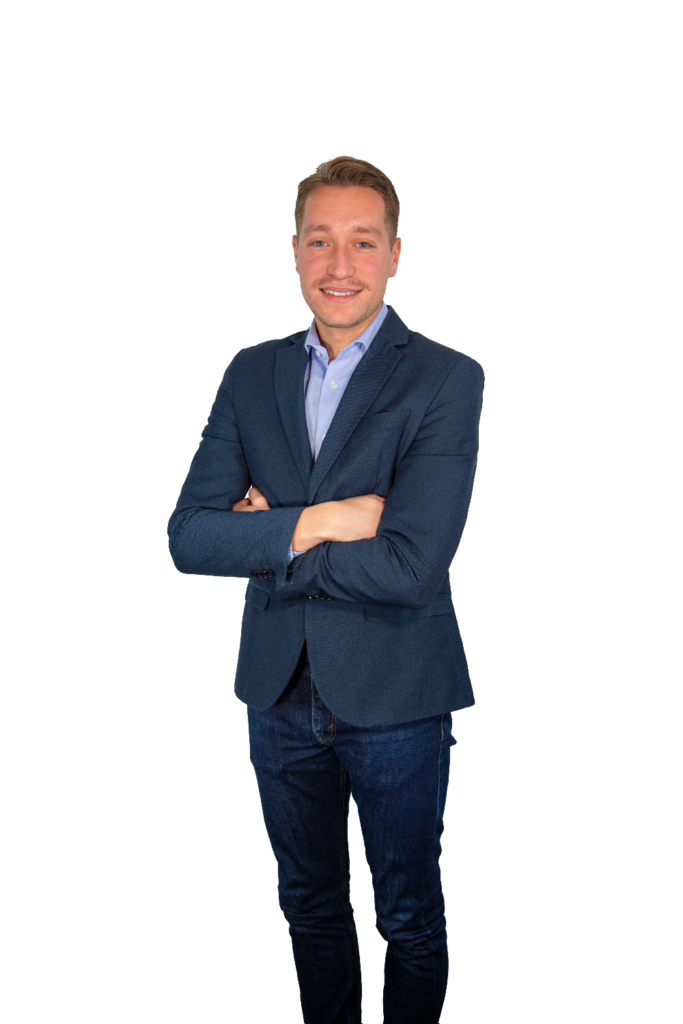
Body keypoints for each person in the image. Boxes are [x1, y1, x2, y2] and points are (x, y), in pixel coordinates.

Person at [167, 156, 485, 1024]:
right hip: (278, 691)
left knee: (408, 914)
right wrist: (326, 519)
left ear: (394, 257)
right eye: (320, 241)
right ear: (295, 252)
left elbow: (412, 568)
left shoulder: (443, 377)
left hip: (398, 692)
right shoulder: (251, 372)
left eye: (362, 241)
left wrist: (269, 535)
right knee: (308, 905)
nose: (338, 264)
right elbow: (190, 536)